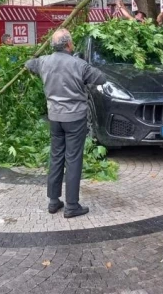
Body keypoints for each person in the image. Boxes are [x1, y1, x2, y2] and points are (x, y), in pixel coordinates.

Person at [25, 29, 107, 218]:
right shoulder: (79, 65)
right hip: (75, 118)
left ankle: (54, 202)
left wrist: (34, 60)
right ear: (69, 45)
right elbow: (101, 78)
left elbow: (29, 64)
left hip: (55, 117)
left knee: (56, 157)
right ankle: (72, 206)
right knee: (73, 160)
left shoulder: (43, 62)